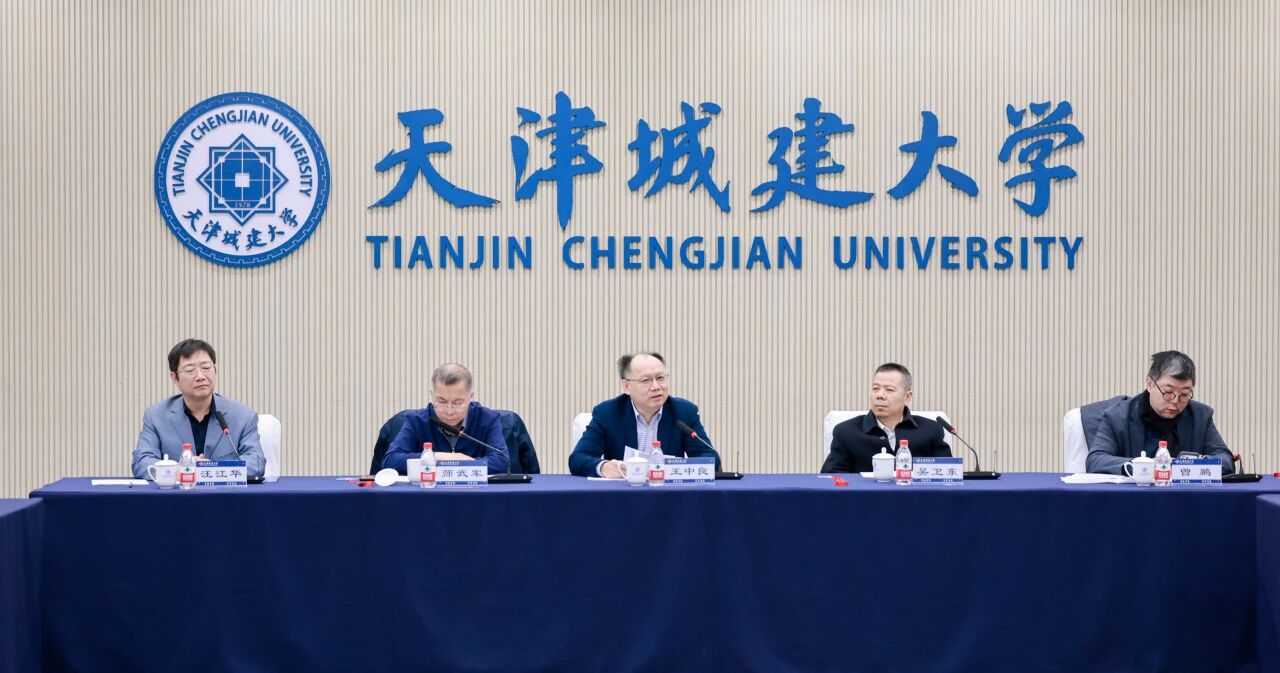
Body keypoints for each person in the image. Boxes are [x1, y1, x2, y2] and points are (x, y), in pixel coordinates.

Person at [569, 352, 720, 477]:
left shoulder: (683, 412)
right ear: (626, 386)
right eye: (646, 380)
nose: (656, 386)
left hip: (670, 495)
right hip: (623, 495)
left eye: (660, 378)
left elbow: (710, 458)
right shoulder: (607, 413)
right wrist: (603, 467)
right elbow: (578, 458)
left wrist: (677, 468)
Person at [132, 339, 265, 479]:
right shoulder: (156, 416)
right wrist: (182, 470)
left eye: (206, 367)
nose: (200, 376)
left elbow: (256, 463)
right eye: (190, 370)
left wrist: (209, 470)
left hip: (225, 493)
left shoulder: (243, 416)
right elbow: (141, 463)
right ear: (174, 378)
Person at [1086, 350, 1233, 475]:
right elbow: (1096, 461)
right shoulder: (1117, 416)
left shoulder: (1200, 416)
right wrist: (1145, 466)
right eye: (1168, 392)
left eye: (1184, 394)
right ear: (1150, 384)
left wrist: (1190, 465)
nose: (1175, 401)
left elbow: (1226, 460)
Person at [821, 363, 951, 473]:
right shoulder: (846, 431)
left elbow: (948, 476)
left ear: (907, 396)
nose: (880, 395)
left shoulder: (931, 430)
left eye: (889, 390)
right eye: (875, 388)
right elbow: (831, 477)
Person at [382, 363, 509, 475]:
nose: (449, 411)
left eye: (458, 403)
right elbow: (390, 460)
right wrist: (437, 457)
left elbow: (502, 462)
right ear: (432, 395)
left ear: (471, 397)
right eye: (441, 402)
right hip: (430, 492)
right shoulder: (416, 421)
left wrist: (463, 461)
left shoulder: (488, 419)